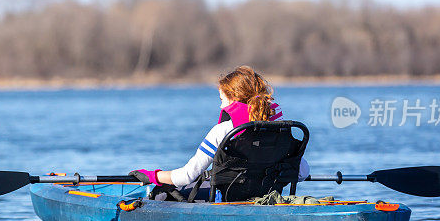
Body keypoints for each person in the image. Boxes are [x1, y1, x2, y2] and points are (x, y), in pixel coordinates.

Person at [131, 65, 309, 201]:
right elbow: (302, 173)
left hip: (225, 202)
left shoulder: (224, 131)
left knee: (161, 194)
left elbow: (185, 176)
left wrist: (152, 175)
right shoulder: (280, 131)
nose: (221, 106)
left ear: (234, 100)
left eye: (222, 100)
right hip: (267, 199)